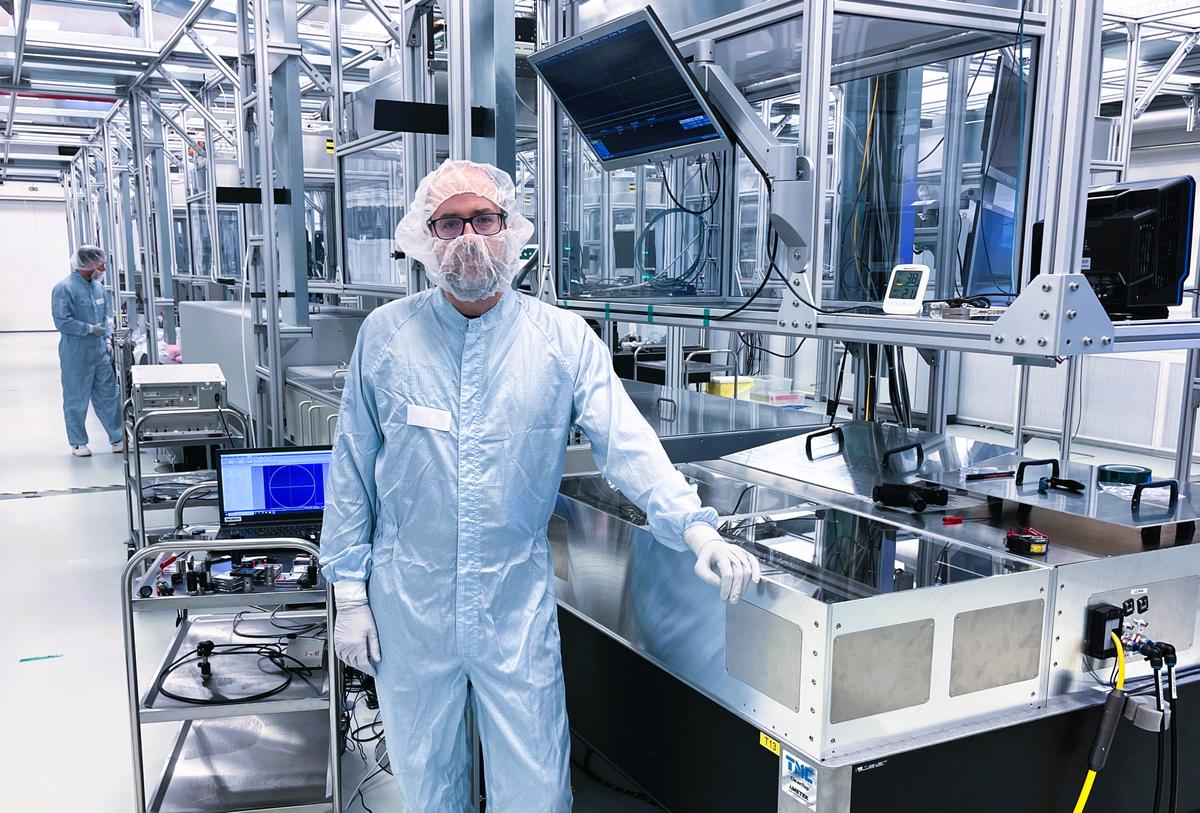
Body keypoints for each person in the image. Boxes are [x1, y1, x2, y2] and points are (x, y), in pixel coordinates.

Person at [320, 159, 760, 813]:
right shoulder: (387, 336)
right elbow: (352, 468)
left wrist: (696, 528)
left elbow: (627, 444)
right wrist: (350, 593)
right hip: (410, 601)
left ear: (512, 228)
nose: (469, 238)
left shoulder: (560, 339)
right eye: (449, 223)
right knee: (427, 786)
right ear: (424, 236)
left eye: (484, 219)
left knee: (536, 790)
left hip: (512, 604)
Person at [50, 245, 123, 457]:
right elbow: (62, 322)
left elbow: (104, 319)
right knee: (76, 398)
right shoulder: (64, 288)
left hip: (99, 352)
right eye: (101, 264)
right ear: (88, 264)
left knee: (109, 395)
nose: (103, 268)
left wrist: (107, 340)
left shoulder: (99, 289)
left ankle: (117, 438)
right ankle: (78, 442)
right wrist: (89, 329)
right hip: (76, 353)